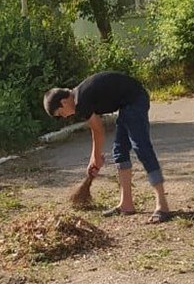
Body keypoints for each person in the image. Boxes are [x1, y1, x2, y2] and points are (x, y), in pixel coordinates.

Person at [45, 72, 171, 222]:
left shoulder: (81, 100)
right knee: (120, 151)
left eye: (60, 113)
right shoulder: (79, 96)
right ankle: (126, 204)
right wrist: (96, 156)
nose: (64, 116)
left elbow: (98, 131)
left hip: (135, 100)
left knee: (141, 147)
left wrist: (95, 157)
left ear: (64, 102)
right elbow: (97, 130)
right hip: (126, 105)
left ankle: (162, 205)